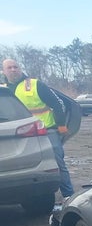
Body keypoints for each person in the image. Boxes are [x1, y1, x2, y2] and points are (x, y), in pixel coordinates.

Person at [2, 58, 74, 201]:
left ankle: (69, 196)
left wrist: (61, 124)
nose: (13, 70)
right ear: (3, 71)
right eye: (9, 68)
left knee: (57, 163)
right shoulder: (3, 90)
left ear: (20, 68)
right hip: (17, 133)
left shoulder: (35, 85)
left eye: (15, 67)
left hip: (45, 131)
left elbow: (58, 104)